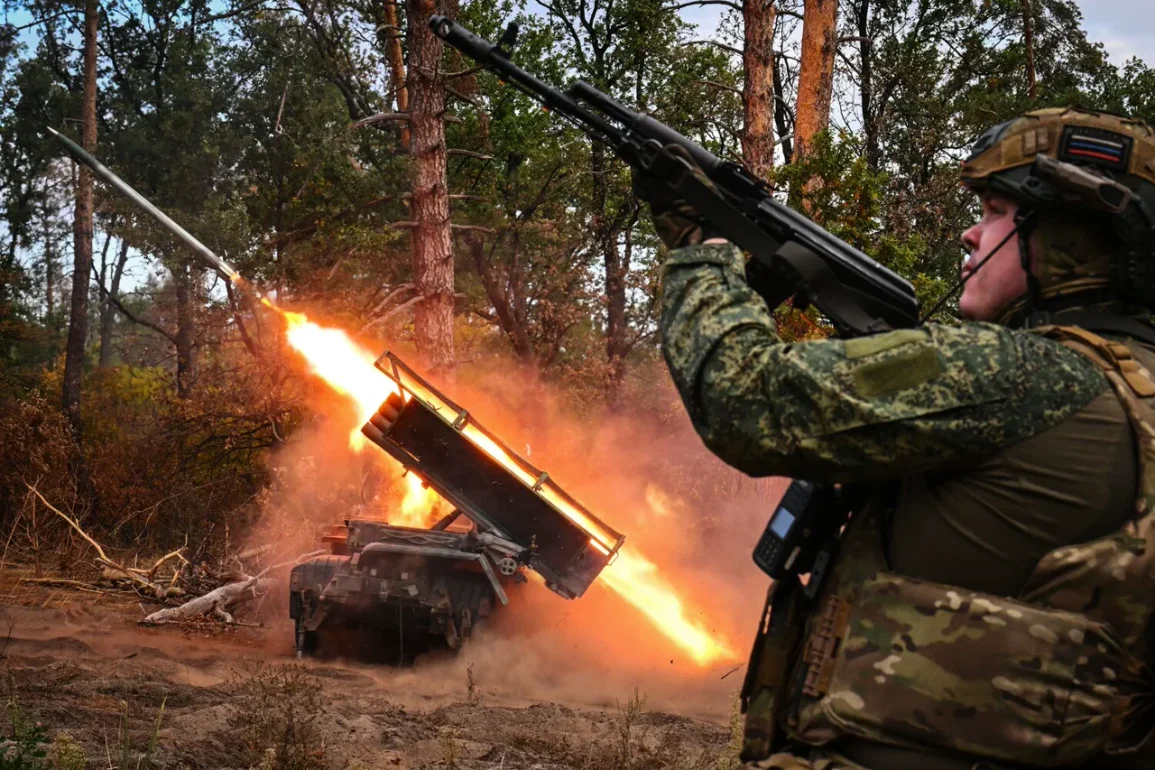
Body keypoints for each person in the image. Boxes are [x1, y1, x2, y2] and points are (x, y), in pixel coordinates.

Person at [640, 107, 1155, 770]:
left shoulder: (1020, 375)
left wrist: (704, 250)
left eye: (995, 211)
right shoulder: (1128, 386)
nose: (971, 234)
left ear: (1070, 237)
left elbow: (745, 398)